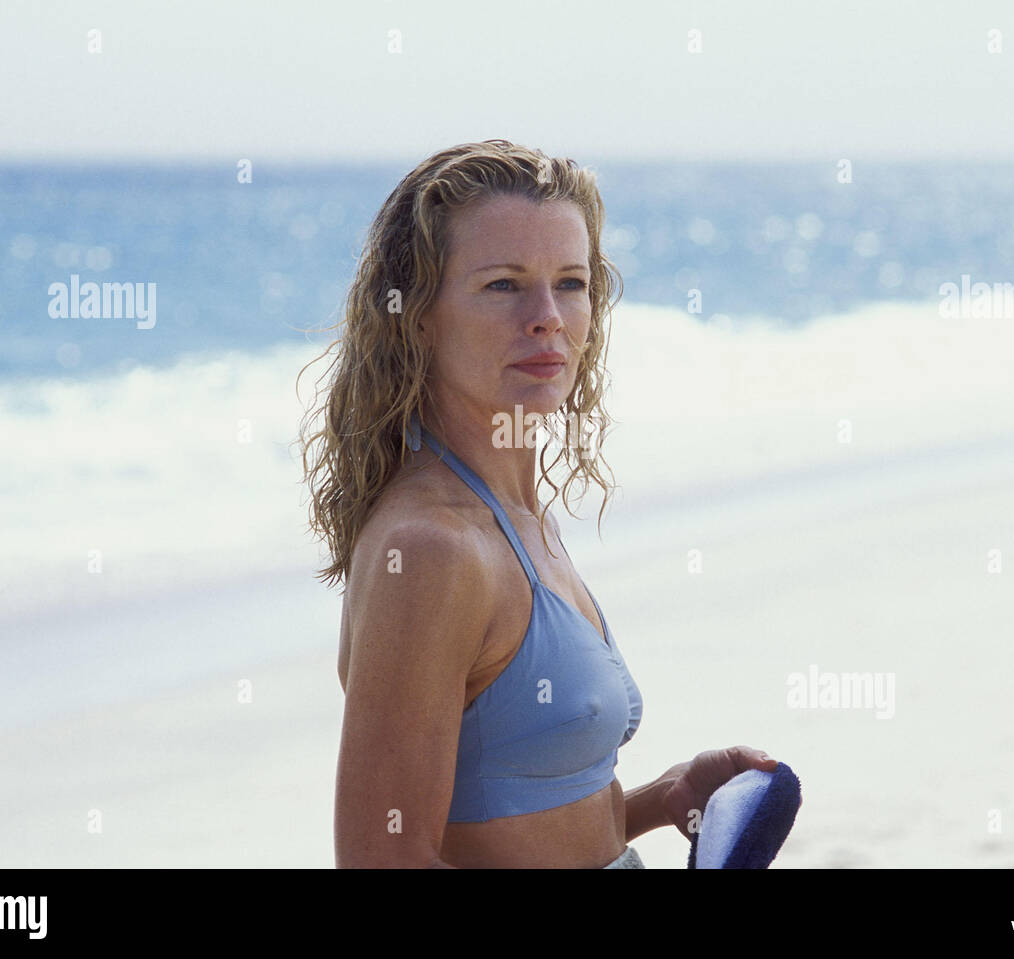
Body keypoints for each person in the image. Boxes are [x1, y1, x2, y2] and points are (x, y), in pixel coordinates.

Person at [297, 139, 777, 868]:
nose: (548, 316)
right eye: (503, 285)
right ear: (417, 315)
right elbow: (381, 859)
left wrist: (662, 798)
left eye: (571, 282)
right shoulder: (431, 548)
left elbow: (520, 823)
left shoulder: (516, 516)